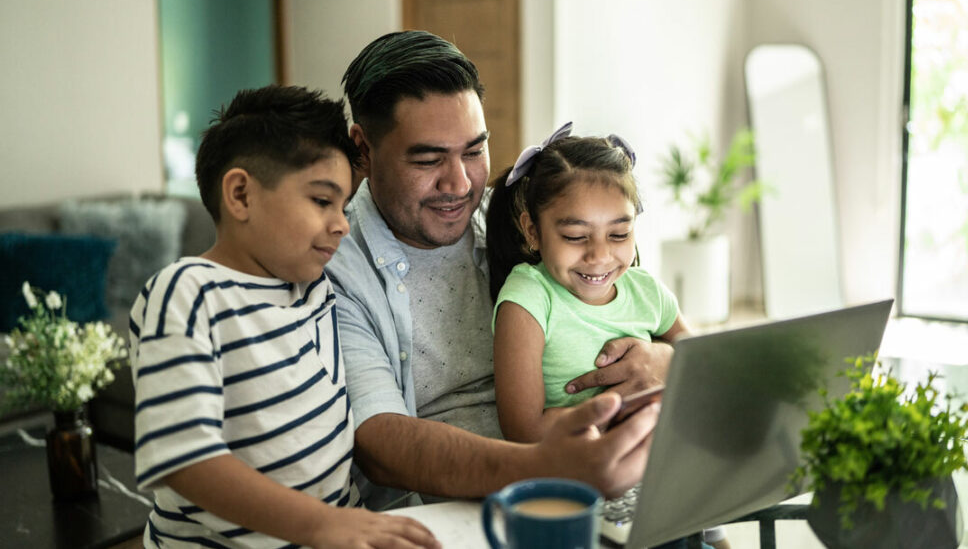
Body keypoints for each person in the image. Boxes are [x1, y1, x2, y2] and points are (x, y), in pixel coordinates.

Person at [326, 30, 671, 509]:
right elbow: (381, 445)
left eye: (473, 151)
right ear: (362, 150)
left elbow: (623, 300)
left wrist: (664, 362)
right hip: (460, 504)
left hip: (588, 460)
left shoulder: (515, 222)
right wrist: (547, 468)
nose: (460, 182)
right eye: (428, 159)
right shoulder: (335, 268)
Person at [129, 85, 439, 548]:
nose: (342, 223)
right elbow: (184, 459)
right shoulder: (189, 293)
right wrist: (322, 524)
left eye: (343, 205)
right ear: (240, 195)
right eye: (321, 201)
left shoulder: (312, 288)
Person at [486, 126, 730, 549]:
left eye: (619, 234)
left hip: (663, 481)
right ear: (532, 230)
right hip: (579, 483)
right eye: (576, 237)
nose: (600, 255)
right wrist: (616, 417)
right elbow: (522, 430)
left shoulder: (646, 289)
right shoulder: (528, 296)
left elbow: (703, 365)